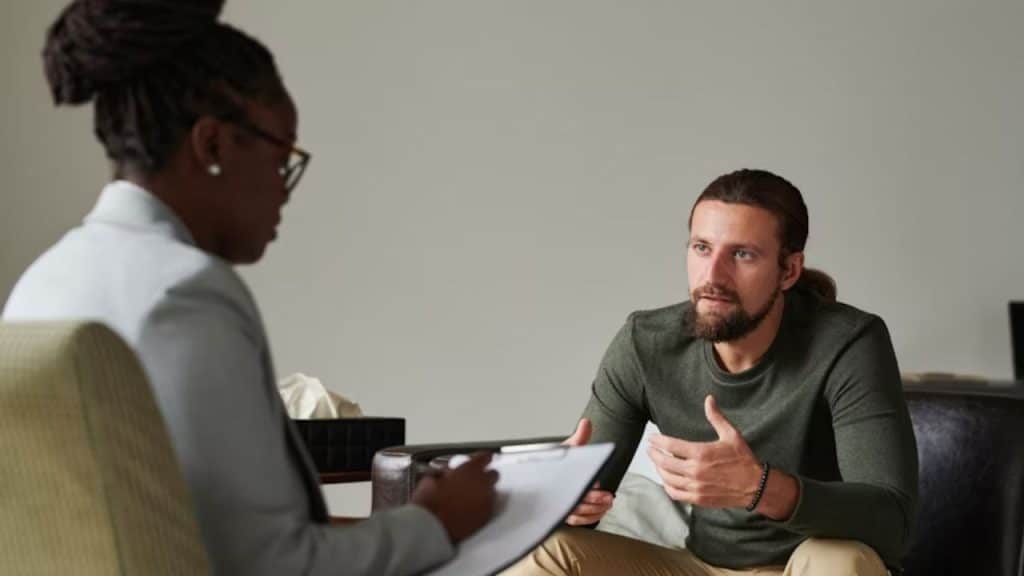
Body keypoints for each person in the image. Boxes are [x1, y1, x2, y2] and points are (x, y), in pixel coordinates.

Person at [2, 1, 497, 574]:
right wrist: (434, 522)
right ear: (213, 144)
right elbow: (271, 566)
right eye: (282, 154)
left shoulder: (41, 282)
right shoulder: (183, 293)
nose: (285, 187)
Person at [507, 169, 918, 575]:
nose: (713, 276)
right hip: (699, 567)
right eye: (702, 248)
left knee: (838, 560)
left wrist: (761, 488)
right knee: (553, 551)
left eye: (742, 254)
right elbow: (586, 506)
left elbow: (893, 521)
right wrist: (565, 501)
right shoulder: (645, 343)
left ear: (789, 270)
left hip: (802, 566)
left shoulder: (848, 342)